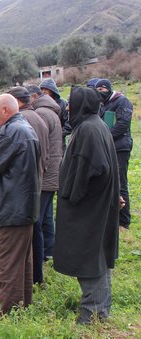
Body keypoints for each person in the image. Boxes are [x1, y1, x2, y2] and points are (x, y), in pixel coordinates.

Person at [54, 86, 121, 324]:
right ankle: (99, 310)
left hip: (88, 209)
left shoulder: (88, 130)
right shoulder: (95, 125)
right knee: (98, 255)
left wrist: (72, 194)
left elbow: (92, 168)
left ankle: (92, 313)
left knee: (90, 257)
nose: (69, 108)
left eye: (72, 103)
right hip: (97, 205)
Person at [0, 94, 40, 315]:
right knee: (22, 260)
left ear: (5, 110)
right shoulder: (25, 128)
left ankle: (9, 312)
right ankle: (23, 304)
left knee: (9, 263)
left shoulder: (11, 132)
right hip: (23, 206)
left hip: (11, 207)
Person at [6, 86, 49, 285]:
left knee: (30, 232)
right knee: (37, 227)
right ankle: (35, 276)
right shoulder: (38, 117)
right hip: (37, 177)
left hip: (26, 183)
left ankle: (31, 277)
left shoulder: (23, 121)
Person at [27, 84, 63, 261]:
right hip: (52, 171)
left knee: (38, 217)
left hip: (45, 173)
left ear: (34, 96)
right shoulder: (51, 111)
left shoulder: (40, 114)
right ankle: (50, 249)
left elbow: (39, 147)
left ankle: (39, 255)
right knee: (47, 214)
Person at [95, 79, 133, 231]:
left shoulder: (122, 101)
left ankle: (124, 221)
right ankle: (111, 216)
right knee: (109, 180)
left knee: (120, 183)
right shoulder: (102, 104)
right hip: (108, 147)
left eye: (103, 90)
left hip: (120, 147)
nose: (101, 93)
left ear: (109, 89)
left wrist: (105, 136)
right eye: (98, 90)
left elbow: (123, 124)